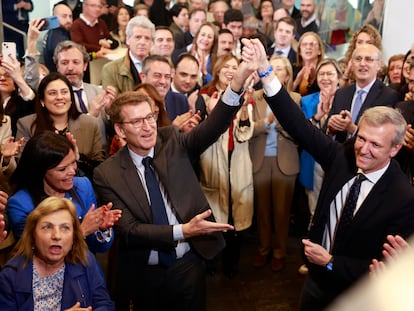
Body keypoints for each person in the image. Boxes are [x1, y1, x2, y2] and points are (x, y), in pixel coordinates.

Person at [243, 37, 414, 311]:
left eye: (376, 145)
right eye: (361, 139)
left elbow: (384, 269)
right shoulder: (343, 156)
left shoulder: (403, 197)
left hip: (358, 297)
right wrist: (265, 71)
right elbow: (297, 124)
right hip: (314, 283)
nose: (364, 150)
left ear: (395, 149)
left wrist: (331, 261)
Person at [93, 57, 256, 309]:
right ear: (120, 130)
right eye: (137, 122)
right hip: (144, 274)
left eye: (150, 117)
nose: (148, 127)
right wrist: (183, 231)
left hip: (188, 265)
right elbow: (130, 231)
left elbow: (212, 128)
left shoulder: (171, 140)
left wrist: (235, 84)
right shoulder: (107, 173)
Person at [7, 131, 121, 253]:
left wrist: (101, 229)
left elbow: (99, 248)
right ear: (41, 171)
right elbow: (33, 253)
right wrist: (82, 231)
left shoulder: (83, 186)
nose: (72, 171)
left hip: (85, 267)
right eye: (62, 169)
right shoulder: (20, 204)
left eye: (73, 162)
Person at [0, 196, 115, 310]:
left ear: (74, 236)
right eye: (47, 227)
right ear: (33, 235)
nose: (57, 236)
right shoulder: (10, 276)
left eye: (65, 228)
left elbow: (104, 304)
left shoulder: (84, 259)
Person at [200, 55, 254, 277]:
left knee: (235, 220)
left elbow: (244, 133)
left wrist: (242, 107)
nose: (231, 70)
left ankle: (232, 267)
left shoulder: (246, 99)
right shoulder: (204, 97)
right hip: (213, 161)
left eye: (236, 67)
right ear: (217, 70)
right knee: (213, 216)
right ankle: (210, 264)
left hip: (238, 161)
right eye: (227, 66)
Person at [250, 55, 301, 272]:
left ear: (287, 75)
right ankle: (264, 250)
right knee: (262, 212)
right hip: (259, 160)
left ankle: (279, 252)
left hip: (286, 161)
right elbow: (247, 129)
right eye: (272, 68)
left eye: (280, 69)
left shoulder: (296, 99)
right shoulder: (255, 97)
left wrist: (280, 124)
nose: (275, 71)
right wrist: (266, 122)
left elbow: (301, 134)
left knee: (282, 212)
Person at [297, 58, 342, 275]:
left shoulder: (346, 98)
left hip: (342, 165)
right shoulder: (307, 101)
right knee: (316, 211)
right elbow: (301, 134)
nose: (325, 78)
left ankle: (332, 256)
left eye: (330, 74)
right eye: (322, 74)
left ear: (339, 78)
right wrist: (318, 116)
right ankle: (312, 256)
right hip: (313, 163)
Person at [16, 72, 105, 177]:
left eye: (64, 92)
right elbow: (22, 167)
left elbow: (100, 168)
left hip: (80, 186)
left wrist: (78, 158)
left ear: (71, 97)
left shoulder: (90, 123)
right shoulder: (26, 125)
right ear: (42, 100)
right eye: (52, 93)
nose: (59, 97)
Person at [327, 44, 399, 143]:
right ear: (351, 64)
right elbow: (326, 132)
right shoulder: (341, 94)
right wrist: (332, 128)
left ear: (379, 65)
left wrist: (352, 129)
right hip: (339, 154)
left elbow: (383, 137)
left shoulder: (389, 96)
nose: (362, 63)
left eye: (368, 59)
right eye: (358, 59)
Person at [102, 16, 155, 93]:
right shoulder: (110, 69)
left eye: (147, 38)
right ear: (128, 40)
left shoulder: (161, 67)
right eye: (138, 37)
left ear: (152, 42)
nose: (142, 42)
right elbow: (112, 102)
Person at [172, 53, 207, 120]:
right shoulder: (161, 95)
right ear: (173, 73)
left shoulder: (198, 100)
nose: (188, 81)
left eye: (193, 76)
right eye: (183, 75)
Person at [43, 2, 73, 73]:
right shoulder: (58, 37)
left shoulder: (52, 32)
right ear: (54, 18)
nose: (68, 20)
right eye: (64, 16)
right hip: (59, 78)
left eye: (70, 16)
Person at [293, 32, 325, 96]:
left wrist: (313, 80)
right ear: (299, 51)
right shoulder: (292, 69)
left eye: (312, 44)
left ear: (319, 51)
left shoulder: (325, 70)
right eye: (304, 44)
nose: (308, 47)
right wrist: (296, 82)